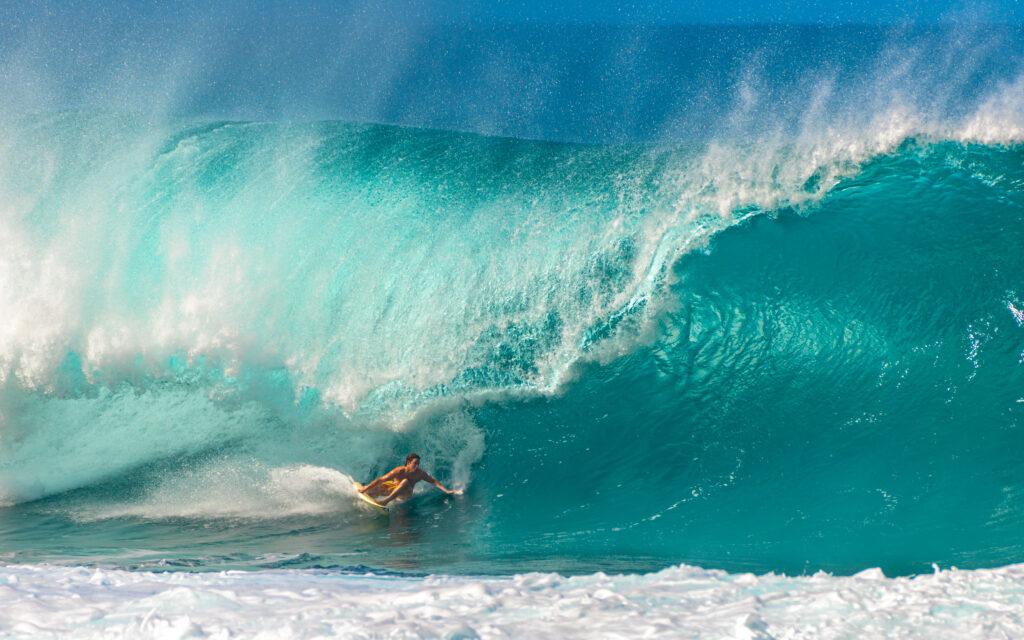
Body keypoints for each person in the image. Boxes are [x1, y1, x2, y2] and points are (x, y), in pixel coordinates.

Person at [359, 453, 459, 505]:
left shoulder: (420, 473)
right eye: (415, 463)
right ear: (408, 462)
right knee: (373, 489)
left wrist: (446, 491)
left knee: (405, 481)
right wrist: (365, 489)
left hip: (405, 494)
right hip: (394, 489)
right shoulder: (398, 471)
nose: (416, 466)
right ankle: (369, 491)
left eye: (418, 464)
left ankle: (385, 501)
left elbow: (433, 481)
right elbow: (381, 479)